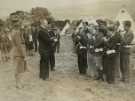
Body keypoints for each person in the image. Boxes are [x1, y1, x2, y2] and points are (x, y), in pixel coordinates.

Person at [11, 20, 28, 88]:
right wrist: (24, 55)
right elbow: (19, 46)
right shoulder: (17, 34)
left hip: (18, 53)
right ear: (19, 27)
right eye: (23, 28)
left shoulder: (18, 34)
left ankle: (19, 83)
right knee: (19, 70)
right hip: (19, 54)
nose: (24, 30)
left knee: (19, 69)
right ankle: (18, 84)